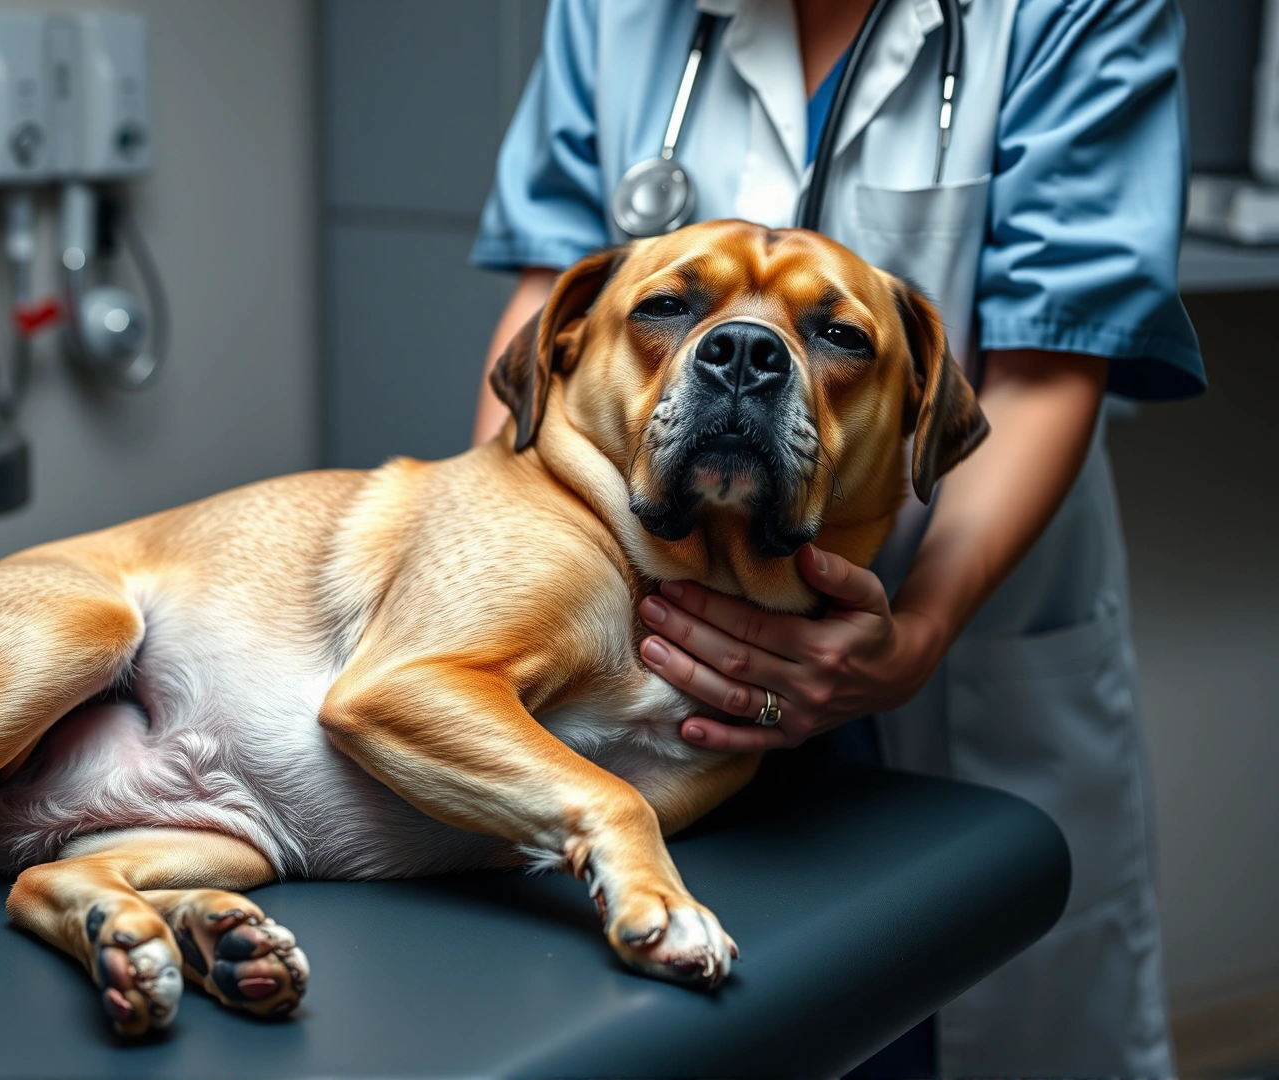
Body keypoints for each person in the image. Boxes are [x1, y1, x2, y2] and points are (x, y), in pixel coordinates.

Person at [469, 0, 1203, 1075]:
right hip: (646, 654)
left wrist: (916, 632)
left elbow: (1049, 367)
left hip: (942, 647)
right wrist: (500, 580)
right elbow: (553, 304)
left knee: (938, 1019)